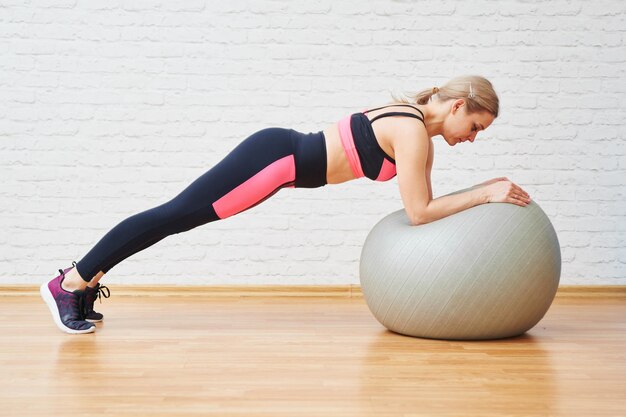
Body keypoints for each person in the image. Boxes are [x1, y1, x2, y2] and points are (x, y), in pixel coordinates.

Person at [40, 75, 531, 334]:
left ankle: (82, 281)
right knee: (172, 217)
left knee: (175, 217)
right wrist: (485, 193)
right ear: (458, 107)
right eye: (475, 128)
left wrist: (482, 187)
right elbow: (420, 213)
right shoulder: (411, 133)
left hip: (276, 158)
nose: (472, 139)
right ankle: (70, 283)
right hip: (275, 162)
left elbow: (423, 202)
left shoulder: (413, 124)